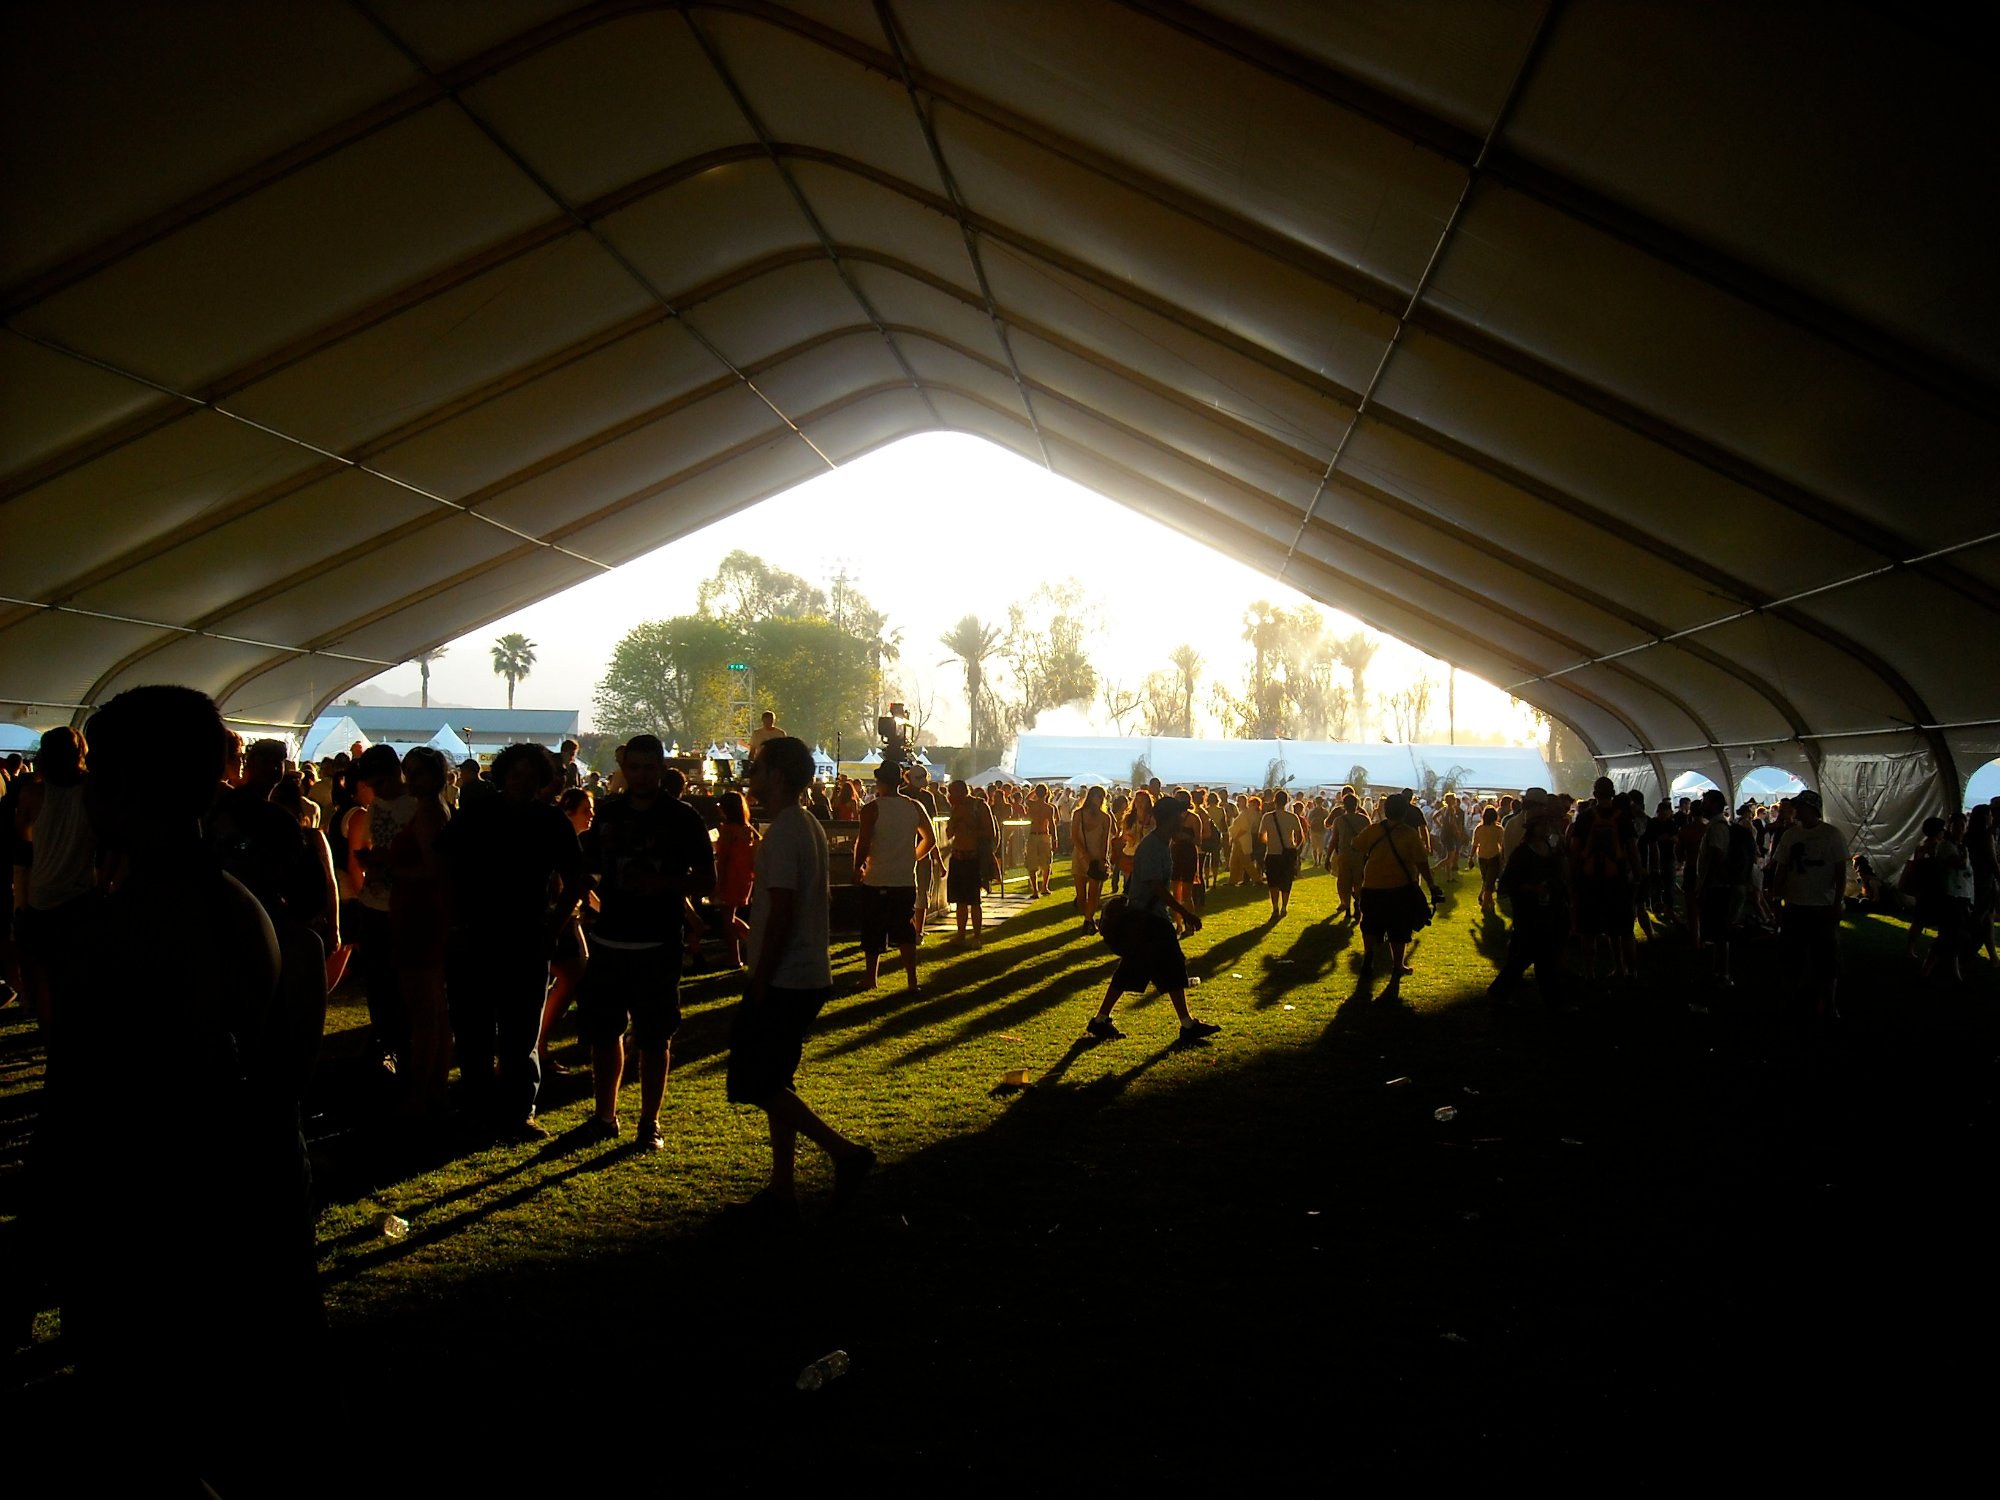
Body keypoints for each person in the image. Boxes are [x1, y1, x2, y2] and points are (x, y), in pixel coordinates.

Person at [58, 687, 323, 1480]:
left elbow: (114, 1104)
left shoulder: (131, 922)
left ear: (115, 786)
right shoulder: (234, 903)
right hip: (244, 1217)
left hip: (163, 1229)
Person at [725, 736, 874, 1225]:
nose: (751, 775)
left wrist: (761, 976)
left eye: (759, 767)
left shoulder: (788, 830)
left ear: (779, 775)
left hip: (787, 978)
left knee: (753, 1081)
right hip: (805, 972)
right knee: (778, 1082)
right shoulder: (804, 824)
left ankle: (844, 1153)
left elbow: (784, 908)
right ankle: (782, 1188)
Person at [442, 744, 586, 1140]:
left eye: (529, 776)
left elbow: (577, 878)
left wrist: (552, 929)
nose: (522, 783)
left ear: (541, 780)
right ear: (503, 776)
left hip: (526, 937)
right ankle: (478, 1107)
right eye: (515, 775)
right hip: (477, 934)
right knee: (474, 1031)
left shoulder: (551, 820)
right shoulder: (476, 815)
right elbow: (447, 868)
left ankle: (519, 1111)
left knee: (520, 1033)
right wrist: (454, 923)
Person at [578, 738, 715, 1150]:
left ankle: (649, 1122)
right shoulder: (608, 814)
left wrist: (665, 885)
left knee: (655, 1037)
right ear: (624, 767)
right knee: (605, 1034)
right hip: (610, 937)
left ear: (659, 768)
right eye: (634, 768)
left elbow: (707, 879)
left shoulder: (682, 817)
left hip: (657, 941)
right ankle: (605, 1115)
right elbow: (585, 864)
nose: (641, 775)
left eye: (648, 768)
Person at [1085, 793, 1219, 1042]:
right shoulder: (1152, 847)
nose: (1183, 821)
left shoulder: (1161, 843)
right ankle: (1185, 1025)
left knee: (1155, 969)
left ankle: (1102, 1020)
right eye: (1179, 816)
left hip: (1151, 919)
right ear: (1168, 819)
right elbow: (1156, 887)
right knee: (1164, 968)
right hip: (1148, 920)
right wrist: (1185, 912)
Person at [1486, 790, 1574, 1011]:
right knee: (1536, 956)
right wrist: (1534, 888)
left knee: (1529, 955)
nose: (1548, 828)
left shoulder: (1549, 849)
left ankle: (1501, 991)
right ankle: (1554, 1001)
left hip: (1546, 909)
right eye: (1544, 825)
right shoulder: (1524, 852)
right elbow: (1509, 882)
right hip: (1530, 909)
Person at [854, 761, 935, 993]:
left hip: (876, 876)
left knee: (873, 930)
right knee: (906, 931)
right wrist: (913, 857)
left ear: (880, 782)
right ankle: (912, 981)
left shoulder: (871, 809)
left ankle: (871, 978)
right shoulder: (914, 806)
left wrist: (857, 868)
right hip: (904, 879)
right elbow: (930, 839)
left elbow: (863, 843)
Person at [1770, 789, 1849, 1021]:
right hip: (1796, 905)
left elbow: (1840, 872)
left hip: (1821, 907)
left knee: (1827, 959)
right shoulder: (1790, 835)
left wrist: (1836, 902)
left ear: (1811, 809)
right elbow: (1781, 868)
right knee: (1794, 957)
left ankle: (1829, 1003)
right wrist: (1777, 898)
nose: (1796, 811)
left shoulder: (1832, 835)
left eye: (1800, 807)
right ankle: (1796, 1000)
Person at [1351, 792, 1442, 982]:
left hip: (1372, 883)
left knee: (1370, 923)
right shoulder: (1409, 834)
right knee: (1399, 928)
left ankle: (1369, 955)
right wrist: (1431, 884)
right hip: (1398, 886)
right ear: (1404, 811)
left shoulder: (1373, 829)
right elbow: (1421, 862)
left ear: (1385, 810)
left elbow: (1356, 845)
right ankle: (1398, 965)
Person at [1569, 776, 1640, 979]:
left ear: (1594, 793)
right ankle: (1630, 971)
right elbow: (1632, 849)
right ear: (1613, 792)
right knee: (1624, 930)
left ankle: (1590, 972)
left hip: (1589, 879)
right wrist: (1636, 875)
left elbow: (1575, 850)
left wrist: (1573, 877)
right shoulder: (1623, 818)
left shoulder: (1584, 818)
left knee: (1588, 930)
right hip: (1617, 879)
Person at [1691, 788, 1752, 1002]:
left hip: (1717, 887)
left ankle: (1723, 973)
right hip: (1718, 886)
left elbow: (1717, 857)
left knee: (1719, 933)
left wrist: (1705, 886)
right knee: (1718, 933)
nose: (1702, 805)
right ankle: (1719, 972)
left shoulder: (1717, 828)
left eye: (1705, 801)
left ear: (1715, 805)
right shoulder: (1719, 825)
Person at [710, 789, 758, 970]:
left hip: (731, 875)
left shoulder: (728, 829)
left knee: (727, 917)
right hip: (744, 876)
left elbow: (725, 858)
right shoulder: (747, 828)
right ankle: (752, 942)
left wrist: (718, 881)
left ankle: (735, 955)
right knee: (729, 915)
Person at [944, 778, 995, 945]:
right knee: (960, 901)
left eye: (952, 793)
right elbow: (949, 834)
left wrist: (970, 830)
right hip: (958, 857)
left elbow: (990, 832)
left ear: (961, 792)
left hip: (974, 858)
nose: (950, 797)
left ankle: (977, 936)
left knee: (974, 901)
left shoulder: (979, 806)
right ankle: (960, 934)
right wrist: (955, 822)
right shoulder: (955, 808)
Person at [1071, 784, 1113, 934]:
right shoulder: (1078, 814)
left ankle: (1088, 920)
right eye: (1096, 795)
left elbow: (1105, 840)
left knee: (1094, 893)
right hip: (1080, 856)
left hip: (1097, 856)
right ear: (1090, 797)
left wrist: (1103, 858)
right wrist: (1084, 855)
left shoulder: (1105, 818)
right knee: (1081, 895)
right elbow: (1074, 836)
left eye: (1102, 796)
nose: (1099, 799)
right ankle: (1088, 918)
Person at [1259, 788, 1304, 920]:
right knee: (1286, 881)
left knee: (1273, 882)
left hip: (1272, 853)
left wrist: (1270, 842)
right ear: (1287, 802)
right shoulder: (1292, 817)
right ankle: (1284, 906)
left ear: (1274, 801)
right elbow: (1300, 836)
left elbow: (1261, 836)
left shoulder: (1267, 817)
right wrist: (1295, 847)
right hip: (1288, 853)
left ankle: (1275, 907)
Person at [1329, 792, 1370, 921]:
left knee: (1344, 882)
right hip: (1360, 855)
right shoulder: (1364, 819)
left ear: (1344, 806)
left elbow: (1334, 840)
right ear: (1357, 805)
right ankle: (1357, 902)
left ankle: (1347, 907)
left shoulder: (1339, 820)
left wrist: (1328, 856)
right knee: (1359, 881)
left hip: (1344, 854)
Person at [1022, 783, 1056, 898]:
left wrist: (1033, 791)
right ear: (1046, 793)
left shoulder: (1031, 804)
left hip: (1033, 835)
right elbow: (1052, 824)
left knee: (1033, 863)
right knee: (1046, 862)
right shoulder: (1049, 808)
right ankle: (1044, 887)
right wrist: (1055, 838)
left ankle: (1036, 890)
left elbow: (1026, 798)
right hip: (1044, 835)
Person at [1471, 804, 1506, 913]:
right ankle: (1486, 905)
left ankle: (1488, 901)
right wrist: (1504, 858)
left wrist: (1470, 857)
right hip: (1494, 857)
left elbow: (1475, 844)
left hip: (1482, 857)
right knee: (1489, 882)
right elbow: (1502, 845)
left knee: (1487, 880)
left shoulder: (1479, 828)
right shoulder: (1498, 829)